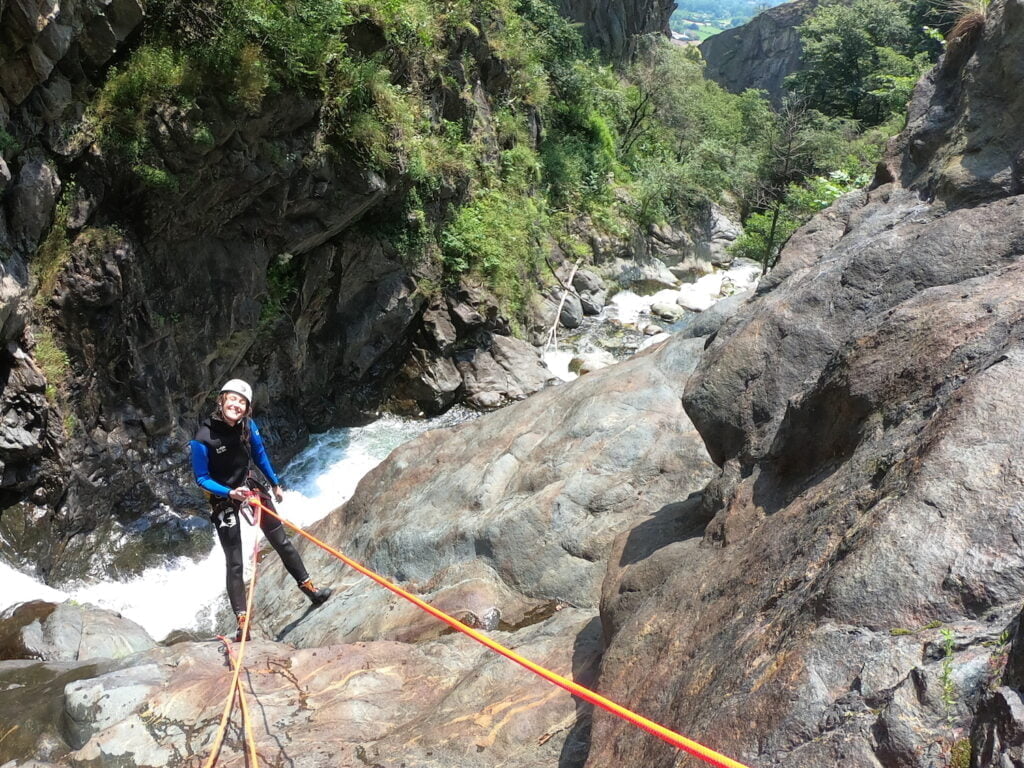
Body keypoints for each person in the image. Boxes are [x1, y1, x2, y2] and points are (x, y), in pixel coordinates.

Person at [190, 378, 331, 641]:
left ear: (246, 408)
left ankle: (311, 591)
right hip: (224, 497)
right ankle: (242, 624)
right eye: (232, 399)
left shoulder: (247, 425)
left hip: (251, 486)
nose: (236, 405)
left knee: (282, 541)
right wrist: (229, 493)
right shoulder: (202, 438)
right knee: (235, 562)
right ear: (221, 401)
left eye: (242, 402)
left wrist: (275, 483)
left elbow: (260, 453)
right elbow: (201, 478)